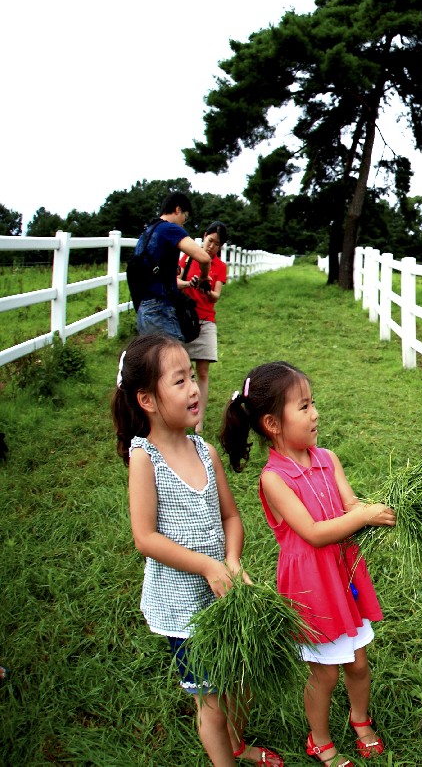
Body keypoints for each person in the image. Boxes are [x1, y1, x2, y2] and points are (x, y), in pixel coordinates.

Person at [112, 333, 283, 767]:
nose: (194, 388)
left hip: (223, 595)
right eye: (180, 380)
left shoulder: (205, 451)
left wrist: (230, 561)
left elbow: (231, 518)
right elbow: (145, 538)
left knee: (241, 679)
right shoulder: (144, 459)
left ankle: (238, 746)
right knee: (211, 699)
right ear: (147, 399)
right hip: (183, 608)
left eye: (193, 376)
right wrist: (207, 566)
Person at [220, 362, 396, 767]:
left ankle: (360, 720)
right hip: (312, 584)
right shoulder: (273, 479)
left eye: (312, 403)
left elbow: (350, 505)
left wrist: (376, 510)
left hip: (343, 572)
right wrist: (362, 517)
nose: (315, 413)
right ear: (272, 424)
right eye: (303, 407)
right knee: (325, 673)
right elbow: (314, 532)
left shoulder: (327, 458)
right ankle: (319, 739)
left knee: (357, 660)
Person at [135, 191, 212, 341]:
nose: (184, 222)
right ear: (178, 210)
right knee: (174, 359)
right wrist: (203, 277)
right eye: (185, 217)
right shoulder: (169, 229)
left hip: (143, 309)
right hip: (160, 309)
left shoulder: (147, 232)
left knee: (154, 361)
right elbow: (204, 258)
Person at [180, 221, 230, 435]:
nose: (211, 247)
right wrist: (189, 283)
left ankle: (198, 420)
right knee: (180, 370)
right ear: (204, 236)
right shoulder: (188, 256)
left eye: (217, 244)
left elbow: (216, 296)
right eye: (210, 241)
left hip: (206, 319)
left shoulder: (220, 266)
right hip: (184, 318)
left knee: (202, 372)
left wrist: (207, 289)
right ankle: (181, 412)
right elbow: (176, 281)